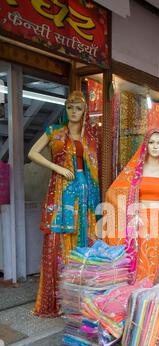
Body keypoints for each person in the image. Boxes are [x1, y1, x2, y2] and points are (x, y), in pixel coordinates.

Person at [28, 91, 100, 317]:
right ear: (66, 109)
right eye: (70, 107)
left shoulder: (89, 138)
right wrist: (57, 168)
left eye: (78, 108)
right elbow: (32, 153)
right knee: (61, 240)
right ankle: (60, 299)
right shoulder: (55, 132)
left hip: (84, 192)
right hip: (62, 192)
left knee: (83, 240)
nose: (74, 112)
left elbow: (93, 169)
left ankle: (79, 299)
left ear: (85, 111)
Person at [102, 129, 159, 283]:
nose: (155, 146)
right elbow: (113, 192)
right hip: (139, 221)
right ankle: (138, 294)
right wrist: (131, 214)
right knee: (140, 260)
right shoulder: (136, 171)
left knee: (156, 259)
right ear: (145, 144)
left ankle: (152, 299)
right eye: (151, 142)